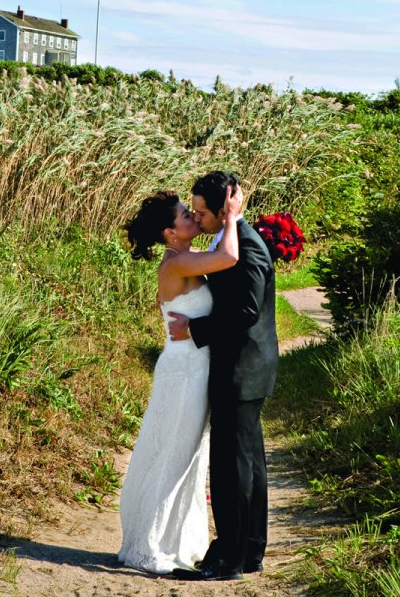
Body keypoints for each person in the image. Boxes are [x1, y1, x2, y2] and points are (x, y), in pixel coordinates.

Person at [118, 185, 243, 574]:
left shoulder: (184, 260)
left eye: (191, 211)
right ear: (170, 234)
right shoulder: (176, 263)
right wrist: (233, 214)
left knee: (188, 456)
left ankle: (176, 541)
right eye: (185, 215)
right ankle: (149, 544)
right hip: (183, 374)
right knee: (174, 454)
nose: (192, 216)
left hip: (190, 368)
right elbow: (230, 255)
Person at [168, 170, 278, 582]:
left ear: (222, 210)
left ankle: (228, 560)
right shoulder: (230, 240)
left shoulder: (246, 246)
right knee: (248, 463)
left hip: (241, 369)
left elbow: (246, 312)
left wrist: (194, 330)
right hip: (247, 368)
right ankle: (249, 551)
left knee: (232, 467)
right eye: (192, 211)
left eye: (200, 212)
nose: (196, 219)